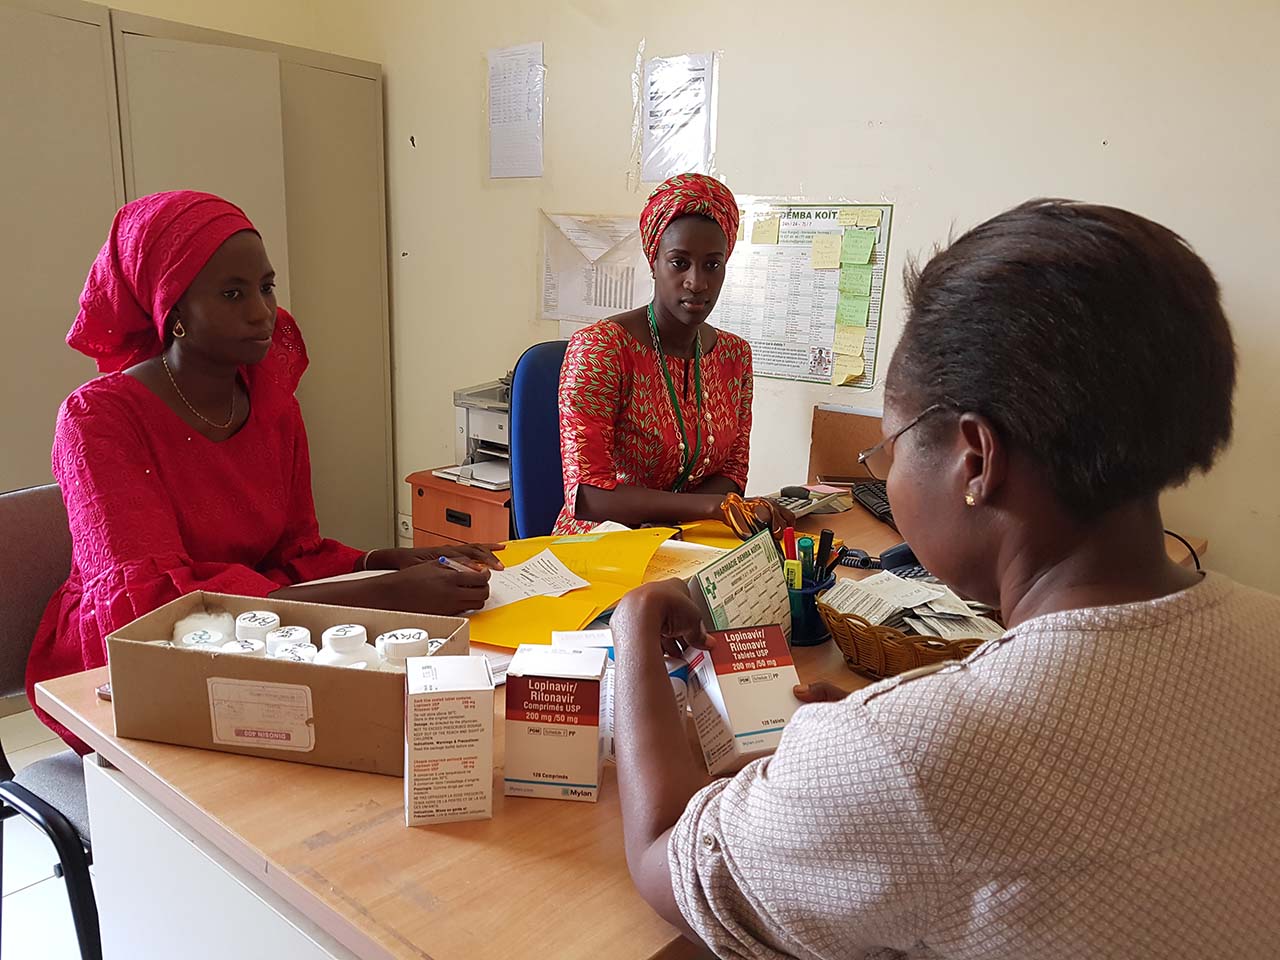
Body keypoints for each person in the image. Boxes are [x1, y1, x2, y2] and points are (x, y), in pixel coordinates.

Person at [610, 199, 1280, 957]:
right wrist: (872, 753)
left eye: (890, 448)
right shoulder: (1266, 628)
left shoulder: (924, 756)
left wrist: (635, 626)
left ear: (975, 461)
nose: (887, 473)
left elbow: (664, 858)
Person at [27, 192, 500, 749]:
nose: (262, 312)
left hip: (262, 640)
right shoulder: (97, 419)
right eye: (232, 294)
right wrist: (388, 593)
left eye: (266, 287)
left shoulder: (271, 404)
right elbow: (153, 613)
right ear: (172, 311)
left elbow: (293, 554)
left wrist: (379, 561)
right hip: (132, 667)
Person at [555, 173, 785, 537]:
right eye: (679, 263)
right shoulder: (601, 348)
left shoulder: (734, 356)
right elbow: (588, 495)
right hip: (603, 542)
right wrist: (712, 507)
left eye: (712, 265)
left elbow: (732, 473)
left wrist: (687, 519)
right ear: (654, 262)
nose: (697, 282)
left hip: (688, 537)